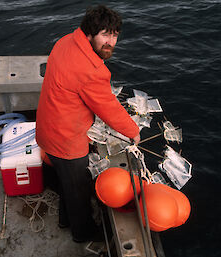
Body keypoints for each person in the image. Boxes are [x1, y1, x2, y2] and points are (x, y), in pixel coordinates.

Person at [36, 5, 140, 243]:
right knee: (79, 192)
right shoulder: (91, 70)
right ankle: (82, 233)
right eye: (105, 34)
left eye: (114, 35)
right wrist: (133, 132)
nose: (110, 42)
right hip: (66, 139)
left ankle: (64, 220)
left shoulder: (65, 41)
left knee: (66, 183)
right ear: (91, 33)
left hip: (47, 129)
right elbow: (108, 108)